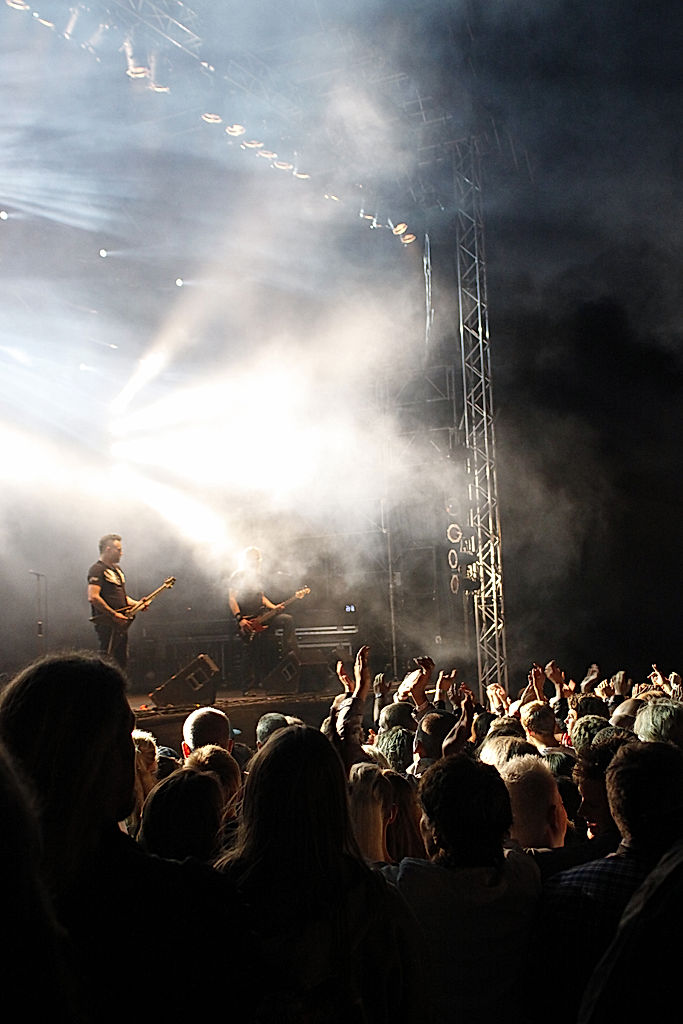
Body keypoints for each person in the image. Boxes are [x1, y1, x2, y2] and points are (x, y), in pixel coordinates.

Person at [228, 547, 299, 690]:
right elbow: (232, 599)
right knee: (250, 653)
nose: (256, 562)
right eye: (253, 559)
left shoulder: (258, 577)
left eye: (257, 559)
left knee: (287, 619)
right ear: (247, 560)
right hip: (247, 619)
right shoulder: (238, 576)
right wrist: (240, 619)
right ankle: (247, 687)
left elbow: (261, 597)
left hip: (263, 617)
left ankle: (289, 651)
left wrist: (274, 607)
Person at [87, 533, 138, 669]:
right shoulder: (97, 570)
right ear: (108, 549)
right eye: (119, 550)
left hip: (121, 623)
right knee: (108, 659)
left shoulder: (117, 570)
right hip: (108, 622)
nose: (121, 553)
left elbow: (121, 597)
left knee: (121, 660)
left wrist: (137, 604)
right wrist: (114, 615)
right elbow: (93, 597)